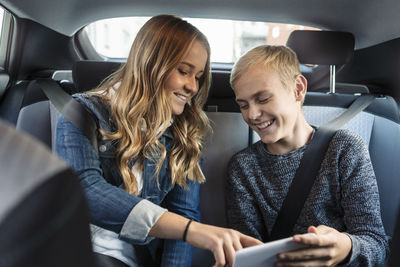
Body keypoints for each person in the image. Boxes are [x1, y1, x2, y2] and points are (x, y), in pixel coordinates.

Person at [56, 14, 261, 267]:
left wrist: (186, 231)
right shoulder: (84, 112)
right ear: (150, 64)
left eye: (197, 76)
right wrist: (190, 230)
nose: (193, 87)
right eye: (183, 71)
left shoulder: (182, 136)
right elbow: (85, 191)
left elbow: (184, 213)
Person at [226, 45, 389, 266]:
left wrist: (345, 248)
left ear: (298, 89)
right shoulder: (243, 167)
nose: (252, 114)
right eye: (243, 105)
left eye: (263, 99)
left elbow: (377, 245)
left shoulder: (345, 149)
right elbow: (247, 254)